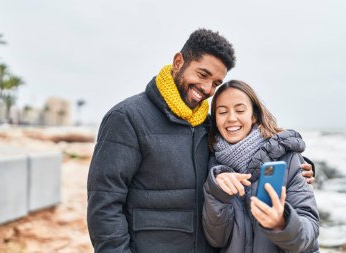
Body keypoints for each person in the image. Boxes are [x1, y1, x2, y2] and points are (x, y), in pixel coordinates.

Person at [87, 28, 315, 253]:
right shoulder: (127, 118)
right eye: (202, 74)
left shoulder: (207, 127)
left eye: (216, 83)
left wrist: (297, 166)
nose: (207, 88)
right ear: (178, 62)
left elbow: (247, 151)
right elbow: (104, 204)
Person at [202, 80, 319, 253]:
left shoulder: (289, 160)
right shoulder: (213, 167)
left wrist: (283, 223)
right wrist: (218, 194)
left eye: (240, 110)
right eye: (222, 112)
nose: (231, 118)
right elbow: (216, 240)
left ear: (254, 115)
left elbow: (309, 233)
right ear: (215, 120)